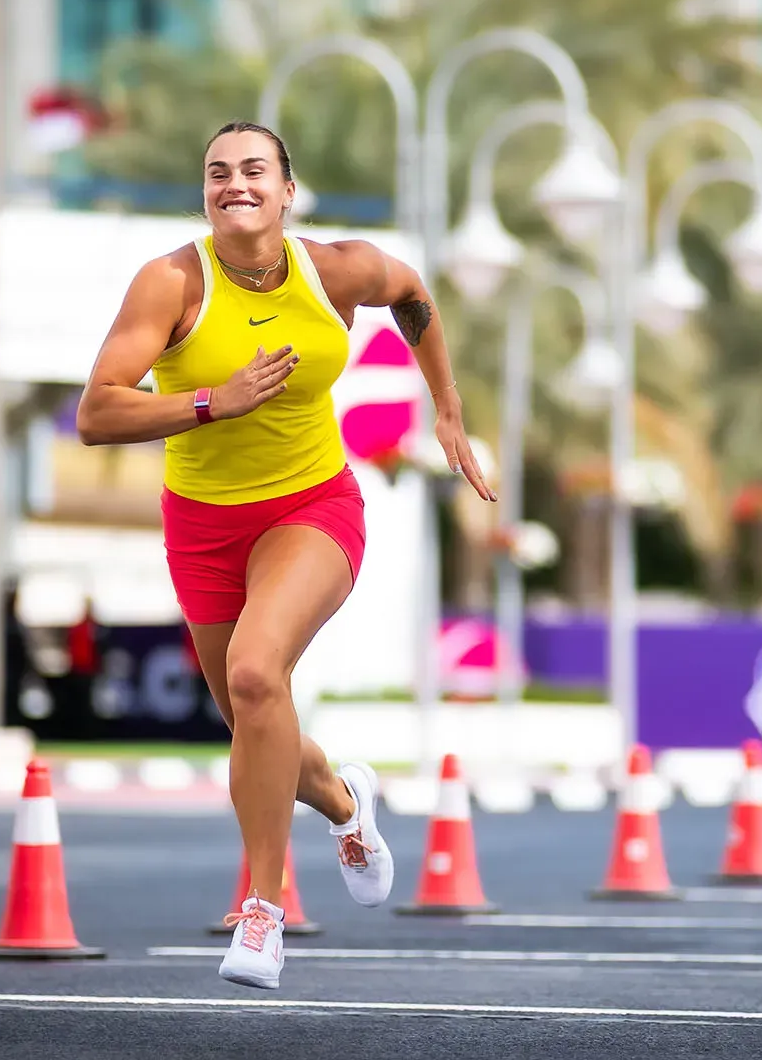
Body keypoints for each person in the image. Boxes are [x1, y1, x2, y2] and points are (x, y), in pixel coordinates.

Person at [76, 120, 496, 990]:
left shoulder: (331, 269)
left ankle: (263, 912)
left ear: (287, 189)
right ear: (205, 193)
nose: (236, 183)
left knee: (260, 676)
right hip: (202, 526)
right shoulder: (169, 284)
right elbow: (98, 413)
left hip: (312, 507)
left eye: (254, 170)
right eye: (217, 172)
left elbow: (413, 293)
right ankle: (346, 801)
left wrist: (447, 407)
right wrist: (207, 404)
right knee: (250, 718)